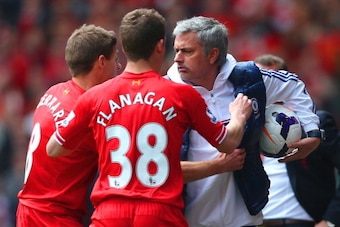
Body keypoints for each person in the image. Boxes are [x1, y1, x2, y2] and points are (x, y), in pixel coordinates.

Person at [46, 8, 253, 227]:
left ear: (123, 48)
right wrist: (238, 115)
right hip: (160, 214)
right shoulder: (182, 95)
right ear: (161, 46)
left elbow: (55, 149)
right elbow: (228, 144)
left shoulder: (94, 97)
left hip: (109, 215)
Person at [166, 16, 322, 227]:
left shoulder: (249, 79)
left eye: (187, 51)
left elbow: (294, 86)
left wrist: (313, 133)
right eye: (177, 50)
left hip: (243, 218)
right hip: (188, 219)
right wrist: (217, 166)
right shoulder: (166, 93)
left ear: (213, 54)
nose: (177, 58)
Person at [16, 24, 121, 227]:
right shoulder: (90, 113)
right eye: (115, 59)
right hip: (53, 218)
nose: (118, 66)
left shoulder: (52, 92)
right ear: (101, 62)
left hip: (27, 211)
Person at [255, 54, 340, 227]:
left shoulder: (316, 124)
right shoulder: (244, 126)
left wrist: (331, 220)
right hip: (257, 222)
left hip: (303, 221)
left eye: (271, 79)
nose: (265, 85)